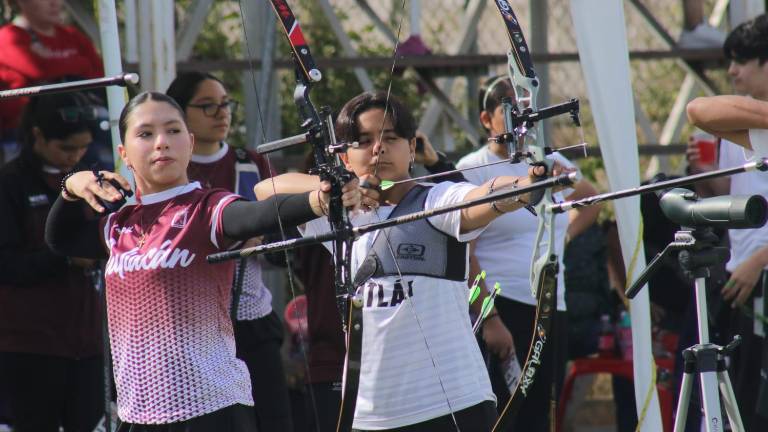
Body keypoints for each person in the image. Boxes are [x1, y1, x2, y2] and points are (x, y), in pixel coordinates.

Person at [255, 91, 573, 431]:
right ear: (345, 157)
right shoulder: (337, 215)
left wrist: (527, 184)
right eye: (363, 141)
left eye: (391, 138)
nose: (378, 148)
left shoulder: (437, 199)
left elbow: (484, 196)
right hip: (370, 414)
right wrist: (329, 191)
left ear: (412, 148)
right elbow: (266, 188)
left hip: (453, 404)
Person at [44, 91, 360, 431]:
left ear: (190, 143)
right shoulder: (118, 224)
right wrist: (71, 186)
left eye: (173, 131)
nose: (162, 142)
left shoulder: (206, 207)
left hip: (210, 407)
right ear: (124, 154)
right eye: (145, 134)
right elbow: (60, 239)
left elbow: (257, 215)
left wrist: (319, 200)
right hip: (139, 413)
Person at [456, 75, 600, 431]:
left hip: (552, 304)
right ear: (486, 120)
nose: (519, 116)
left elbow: (590, 198)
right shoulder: (471, 169)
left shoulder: (547, 159)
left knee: (543, 415)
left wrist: (564, 238)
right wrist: (488, 318)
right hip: (503, 306)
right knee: (502, 414)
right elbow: (464, 257)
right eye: (506, 108)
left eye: (523, 107)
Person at [166, 71, 293, 431]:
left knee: (272, 418)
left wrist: (262, 240)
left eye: (225, 104)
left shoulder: (249, 163)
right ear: (180, 112)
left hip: (250, 318)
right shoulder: (171, 167)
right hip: (190, 325)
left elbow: (278, 244)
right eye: (207, 107)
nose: (221, 114)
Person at [0, 91, 102, 432]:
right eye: (66, 148)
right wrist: (66, 259)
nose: (74, 157)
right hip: (30, 345)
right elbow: (7, 265)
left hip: (88, 342)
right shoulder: (10, 184)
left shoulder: (94, 180)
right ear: (37, 136)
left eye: (83, 148)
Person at [684, 14, 768, 430]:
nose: (732, 70)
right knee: (744, 398)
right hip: (743, 271)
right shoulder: (756, 124)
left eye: (743, 60)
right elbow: (698, 109)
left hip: (760, 271)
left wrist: (760, 260)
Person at [0, 0, 103, 158]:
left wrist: (52, 64)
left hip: (84, 126)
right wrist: (80, 64)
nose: (55, 3)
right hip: (27, 135)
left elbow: (99, 75)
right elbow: (38, 69)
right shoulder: (8, 37)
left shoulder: (72, 35)